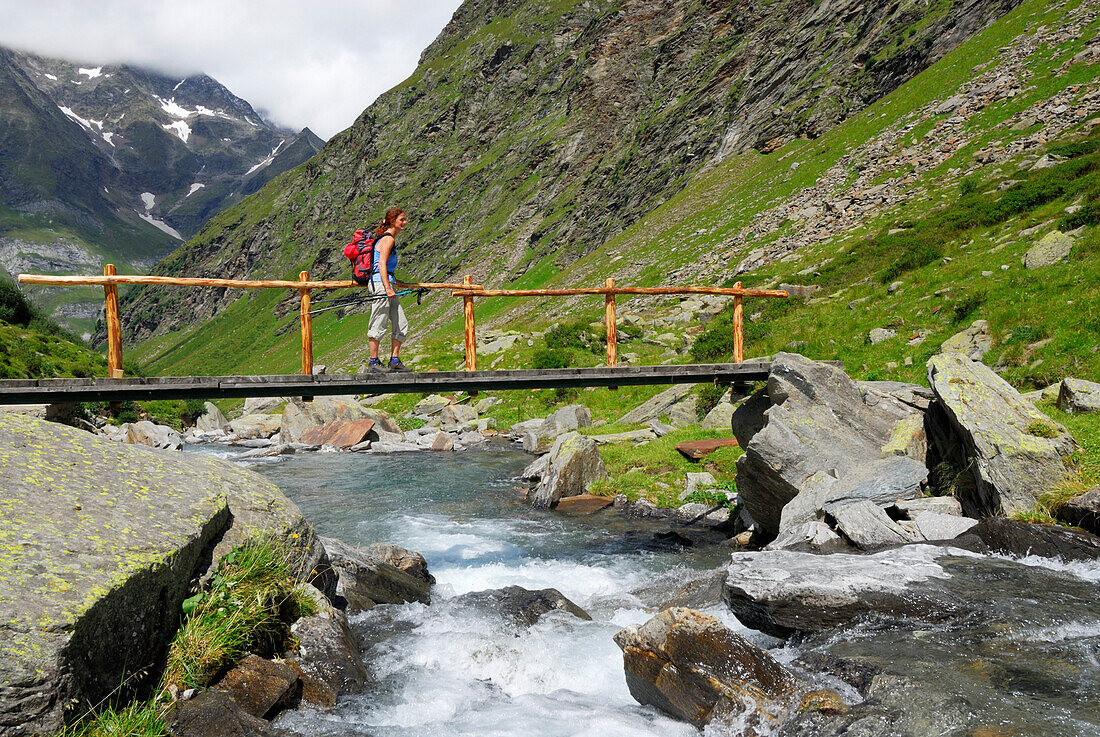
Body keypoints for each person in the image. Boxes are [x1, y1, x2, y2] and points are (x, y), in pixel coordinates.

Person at [366, 207, 411, 372]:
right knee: (379, 320)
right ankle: (373, 362)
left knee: (401, 322)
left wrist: (393, 282)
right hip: (381, 285)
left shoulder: (388, 238)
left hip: (387, 284)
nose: (405, 222)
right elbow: (381, 264)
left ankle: (394, 360)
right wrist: (387, 286)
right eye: (402, 220)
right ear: (393, 221)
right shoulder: (388, 239)